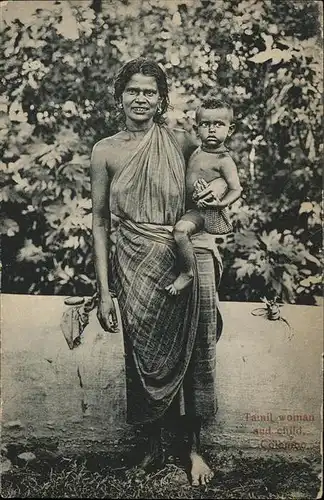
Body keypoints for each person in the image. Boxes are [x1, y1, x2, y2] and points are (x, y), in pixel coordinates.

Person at [90, 57, 224, 487]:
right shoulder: (105, 150)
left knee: (193, 352)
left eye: (150, 91)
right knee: (142, 353)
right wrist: (105, 292)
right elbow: (100, 222)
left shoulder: (183, 142)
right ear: (120, 96)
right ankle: (149, 449)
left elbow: (207, 196)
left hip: (181, 255)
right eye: (133, 90)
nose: (141, 98)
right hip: (133, 262)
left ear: (162, 98)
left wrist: (217, 192)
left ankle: (193, 449)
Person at [165, 98, 242, 295]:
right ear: (197, 128)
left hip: (201, 210)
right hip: (185, 207)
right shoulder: (196, 149)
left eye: (219, 124)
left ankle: (187, 272)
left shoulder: (224, 160)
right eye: (206, 124)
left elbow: (236, 189)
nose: (212, 129)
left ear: (230, 130)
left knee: (181, 231)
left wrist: (219, 204)